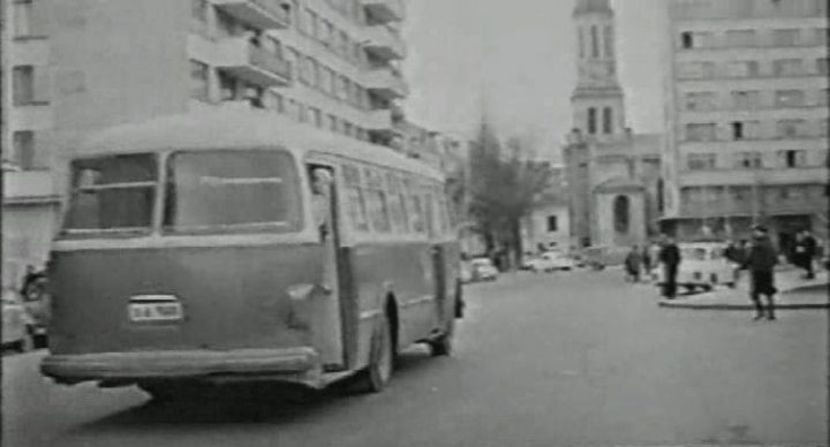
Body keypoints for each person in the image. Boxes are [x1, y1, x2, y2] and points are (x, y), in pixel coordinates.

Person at [742, 225, 779, 321]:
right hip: (762, 270)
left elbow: (752, 255)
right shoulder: (767, 242)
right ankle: (767, 313)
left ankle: (765, 313)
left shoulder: (761, 243)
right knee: (761, 292)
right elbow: (774, 258)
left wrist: (745, 263)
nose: (755, 233)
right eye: (754, 231)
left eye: (756, 231)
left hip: (760, 270)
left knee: (763, 292)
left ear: (762, 232)